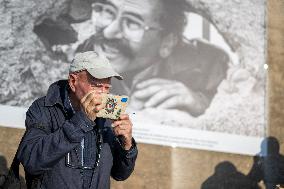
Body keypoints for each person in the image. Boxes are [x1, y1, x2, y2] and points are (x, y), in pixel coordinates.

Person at [77, 0, 229, 117]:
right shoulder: (87, 50)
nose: (109, 33)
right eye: (108, 12)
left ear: (167, 43)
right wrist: (128, 108)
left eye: (132, 23)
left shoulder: (207, 65)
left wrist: (201, 103)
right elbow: (79, 102)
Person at [17, 51, 138, 189]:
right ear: (73, 81)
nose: (103, 94)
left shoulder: (107, 115)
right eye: (97, 85)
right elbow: (31, 161)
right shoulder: (44, 108)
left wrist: (127, 145)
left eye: (107, 87)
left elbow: (121, 174)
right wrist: (82, 120)